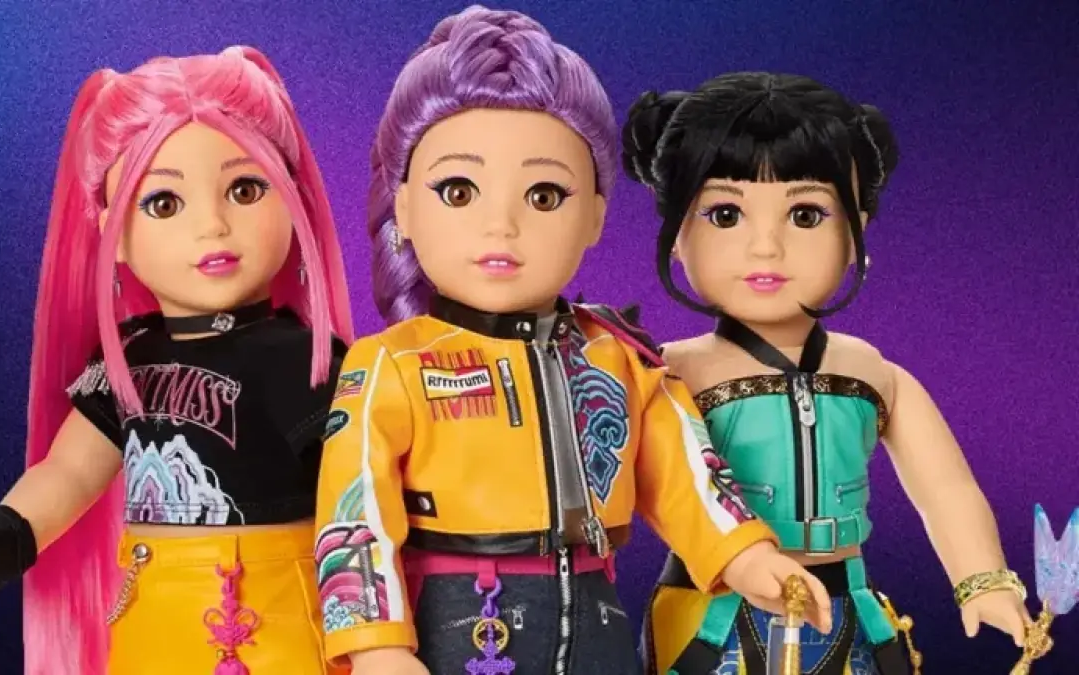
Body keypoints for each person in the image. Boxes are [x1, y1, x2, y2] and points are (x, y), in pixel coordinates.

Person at [312, 9, 832, 675]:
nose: (501, 225)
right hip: (460, 618)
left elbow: (687, 471)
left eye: (545, 195)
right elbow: (354, 509)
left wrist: (747, 554)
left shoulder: (618, 355)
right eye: (459, 191)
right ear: (406, 207)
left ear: (594, 215)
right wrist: (375, 642)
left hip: (593, 609)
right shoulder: (393, 363)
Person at [0, 46, 354, 675]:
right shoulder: (128, 359)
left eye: (245, 188)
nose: (212, 225)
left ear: (291, 198)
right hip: (152, 618)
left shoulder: (309, 358)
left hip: (281, 618)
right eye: (164, 203)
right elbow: (71, 472)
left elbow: (361, 498)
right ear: (112, 230)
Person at [621, 72, 1032, 674]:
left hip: (848, 609)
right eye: (726, 214)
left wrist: (983, 580)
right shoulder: (666, 372)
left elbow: (946, 490)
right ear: (678, 234)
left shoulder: (873, 374)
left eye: (807, 214)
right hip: (714, 610)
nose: (766, 247)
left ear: (856, 230)